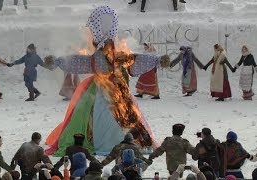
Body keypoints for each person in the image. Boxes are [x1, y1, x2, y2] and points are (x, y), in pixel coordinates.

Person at [44, 6, 168, 157]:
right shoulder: (107, 57)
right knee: (120, 117)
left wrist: (157, 61)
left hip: (114, 94)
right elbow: (79, 62)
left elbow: (136, 61)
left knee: (114, 117)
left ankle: (117, 141)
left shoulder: (117, 56)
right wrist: (58, 61)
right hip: (108, 93)